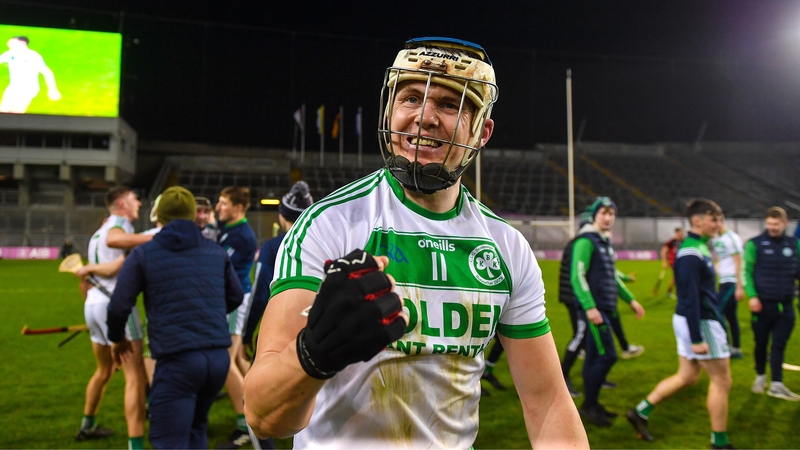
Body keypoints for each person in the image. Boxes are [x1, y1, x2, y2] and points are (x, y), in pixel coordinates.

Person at [243, 37, 588, 449]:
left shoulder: (507, 247)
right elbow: (263, 416)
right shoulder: (328, 225)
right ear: (389, 111)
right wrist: (314, 354)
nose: (424, 117)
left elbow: (547, 401)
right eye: (410, 98)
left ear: (482, 132)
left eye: (450, 104)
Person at [105, 186, 243, 448]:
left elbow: (119, 306)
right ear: (193, 214)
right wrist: (205, 313)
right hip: (216, 358)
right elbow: (235, 297)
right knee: (196, 429)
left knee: (169, 440)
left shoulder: (144, 253)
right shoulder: (215, 251)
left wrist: (117, 339)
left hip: (178, 358)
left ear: (159, 216)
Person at [627, 199, 734, 449]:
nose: (718, 224)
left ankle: (640, 412)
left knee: (687, 376)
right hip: (700, 321)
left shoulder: (699, 246)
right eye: (714, 219)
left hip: (692, 319)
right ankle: (719, 443)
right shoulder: (690, 253)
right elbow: (690, 297)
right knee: (722, 381)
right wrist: (696, 338)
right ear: (697, 221)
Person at [74, 187, 152, 449]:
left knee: (104, 370)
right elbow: (113, 258)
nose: (138, 203)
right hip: (115, 304)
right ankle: (135, 445)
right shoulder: (119, 225)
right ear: (121, 204)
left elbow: (97, 271)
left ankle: (87, 424)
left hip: (94, 303)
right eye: (134, 199)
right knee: (136, 377)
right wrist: (154, 237)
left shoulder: (100, 229)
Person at [570, 197, 645, 426]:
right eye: (603, 212)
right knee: (608, 355)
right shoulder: (586, 241)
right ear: (595, 215)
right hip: (596, 311)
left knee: (594, 356)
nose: (608, 217)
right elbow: (577, 275)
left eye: (611, 213)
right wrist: (589, 307)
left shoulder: (603, 242)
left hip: (604, 308)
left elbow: (612, 277)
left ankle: (592, 404)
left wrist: (631, 300)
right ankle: (588, 405)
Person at [244, 181, 314, 355]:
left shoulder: (272, 247)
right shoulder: (324, 245)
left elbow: (260, 295)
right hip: (317, 332)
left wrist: (247, 335)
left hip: (281, 333)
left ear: (282, 215)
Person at [214, 186, 258, 449]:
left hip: (234, 301)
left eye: (223, 203)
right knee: (239, 359)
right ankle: (263, 404)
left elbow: (219, 267)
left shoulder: (242, 236)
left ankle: (246, 425)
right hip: (231, 300)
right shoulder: (228, 229)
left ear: (238, 208)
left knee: (225, 361)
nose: (218, 207)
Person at [743, 206, 800, 401]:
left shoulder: (795, 244)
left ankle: (776, 384)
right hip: (762, 304)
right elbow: (746, 272)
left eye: (776, 224)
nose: (772, 227)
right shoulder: (755, 244)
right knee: (760, 343)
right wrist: (752, 296)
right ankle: (760, 376)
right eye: (769, 224)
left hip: (786, 305)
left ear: (785, 223)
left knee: (779, 344)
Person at [711, 215, 745, 359]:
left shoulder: (732, 238)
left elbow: (739, 262)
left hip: (732, 281)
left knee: (717, 312)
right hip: (723, 280)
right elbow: (721, 259)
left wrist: (739, 286)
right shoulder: (716, 239)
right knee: (731, 316)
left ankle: (725, 346)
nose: (714, 225)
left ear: (721, 222)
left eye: (716, 221)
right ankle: (736, 348)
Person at [0, 36, 61, 113]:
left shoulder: (33, 56)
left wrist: (52, 90)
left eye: (12, 42)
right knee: (4, 110)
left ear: (22, 43)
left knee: (17, 111)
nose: (8, 44)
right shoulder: (10, 54)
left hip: (29, 88)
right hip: (14, 86)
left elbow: (47, 72)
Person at [658, 227, 685, 297]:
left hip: (682, 261)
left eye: (682, 234)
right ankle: (676, 292)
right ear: (676, 233)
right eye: (680, 234)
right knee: (679, 275)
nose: (682, 235)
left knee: (677, 277)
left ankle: (670, 292)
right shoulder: (671, 242)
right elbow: (663, 251)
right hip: (674, 261)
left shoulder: (684, 241)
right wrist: (664, 262)